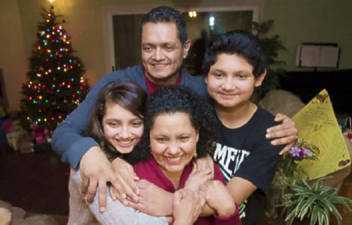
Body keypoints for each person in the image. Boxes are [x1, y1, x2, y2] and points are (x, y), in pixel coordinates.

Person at [51, 5, 298, 212]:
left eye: (168, 47)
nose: (157, 56)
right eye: (148, 47)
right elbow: (63, 132)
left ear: (186, 48)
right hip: (124, 189)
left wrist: (289, 128)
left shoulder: (203, 91)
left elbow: (238, 111)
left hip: (177, 196)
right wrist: (91, 153)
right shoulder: (115, 84)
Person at [68, 82, 229, 225]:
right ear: (100, 124)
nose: (125, 134)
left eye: (135, 123)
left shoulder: (203, 169)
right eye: (113, 123)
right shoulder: (95, 169)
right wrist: (187, 199)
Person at [202, 30, 285, 225]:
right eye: (219, 75)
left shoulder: (270, 132)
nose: (228, 86)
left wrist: (165, 203)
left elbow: (226, 202)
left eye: (241, 76)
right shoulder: (195, 113)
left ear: (259, 78)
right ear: (206, 76)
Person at [127, 86, 241, 225]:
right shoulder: (134, 179)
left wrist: (228, 212)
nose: (173, 150)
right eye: (161, 139)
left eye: (183, 138)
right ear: (148, 136)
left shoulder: (207, 172)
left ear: (197, 135)